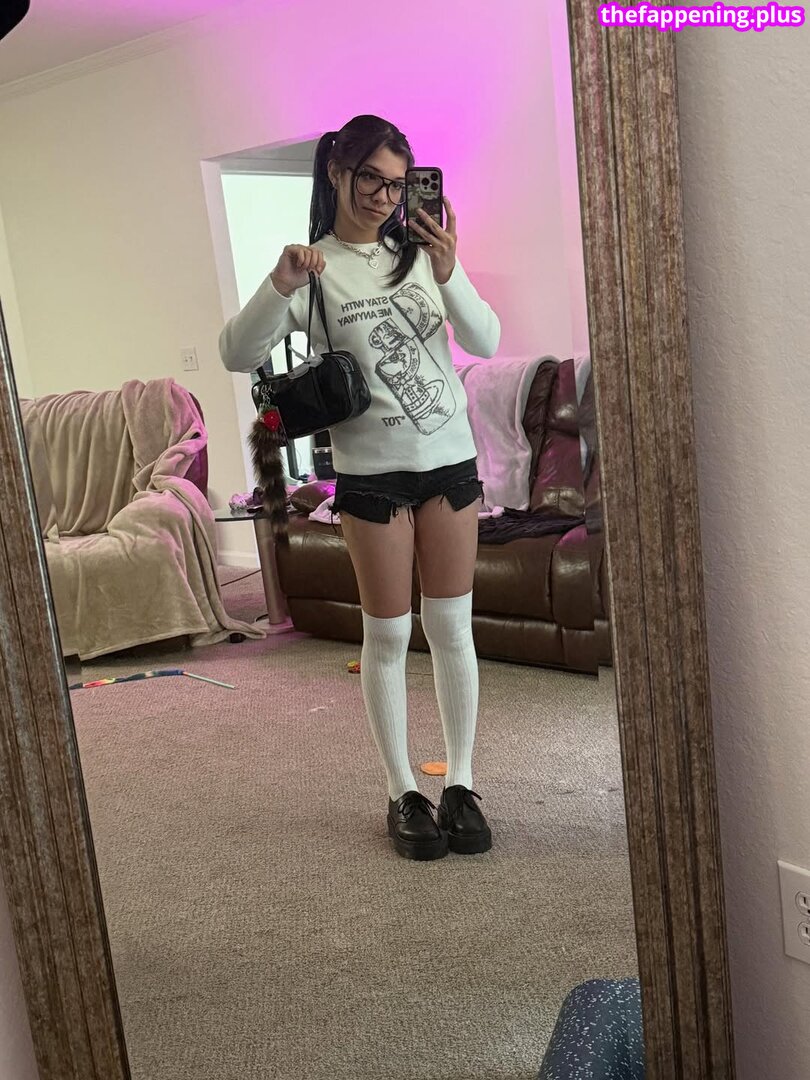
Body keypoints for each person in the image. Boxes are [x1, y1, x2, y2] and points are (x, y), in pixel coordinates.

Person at [219, 115, 500, 861]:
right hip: (372, 475)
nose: (384, 195)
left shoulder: (423, 258)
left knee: (452, 628)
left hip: (449, 463)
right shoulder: (315, 269)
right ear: (337, 172)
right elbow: (236, 352)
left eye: (397, 183)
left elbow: (487, 338)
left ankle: (461, 784)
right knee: (389, 634)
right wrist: (280, 283)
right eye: (371, 177)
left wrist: (450, 269)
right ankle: (403, 790)